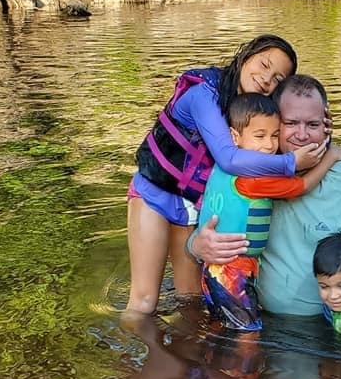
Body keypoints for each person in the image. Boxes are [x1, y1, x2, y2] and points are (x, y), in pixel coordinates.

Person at [188, 74, 341, 340]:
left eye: (313, 124)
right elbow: (202, 234)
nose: (302, 135)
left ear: (327, 124)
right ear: (272, 124)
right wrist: (196, 246)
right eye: (291, 123)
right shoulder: (242, 176)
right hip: (263, 323)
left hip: (335, 332)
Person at [126, 34, 326, 315]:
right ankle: (128, 358)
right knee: (144, 301)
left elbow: (292, 131)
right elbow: (229, 159)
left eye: (278, 79)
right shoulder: (203, 94)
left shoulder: (256, 114)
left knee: (192, 301)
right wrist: (291, 162)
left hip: (193, 207)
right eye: (264, 64)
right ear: (246, 56)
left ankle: (192, 356)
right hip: (154, 194)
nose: (266, 78)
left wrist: (322, 132)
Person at [199, 94, 341, 330]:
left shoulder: (223, 166)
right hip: (232, 272)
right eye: (260, 136)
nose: (269, 145)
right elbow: (301, 186)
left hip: (214, 268)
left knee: (223, 328)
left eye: (275, 135)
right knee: (248, 334)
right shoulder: (253, 179)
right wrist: (331, 157)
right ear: (234, 137)